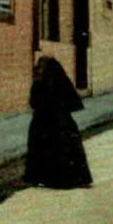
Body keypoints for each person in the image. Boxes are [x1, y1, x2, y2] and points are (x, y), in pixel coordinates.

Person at [23, 57, 92, 190]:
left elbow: (33, 102)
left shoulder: (38, 82)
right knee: (66, 148)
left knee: (42, 148)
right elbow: (73, 102)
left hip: (41, 122)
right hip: (61, 121)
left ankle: (43, 178)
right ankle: (69, 179)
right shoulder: (61, 80)